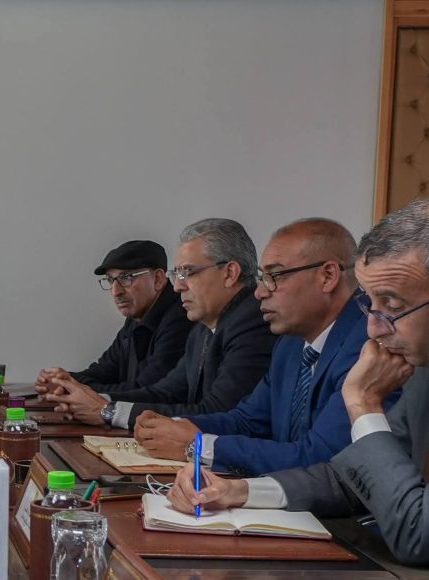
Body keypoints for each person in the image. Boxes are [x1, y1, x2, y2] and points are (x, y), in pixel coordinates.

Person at [166, 199, 429, 566]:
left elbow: (417, 535)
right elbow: (351, 475)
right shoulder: (419, 369)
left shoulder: (393, 360)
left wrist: (363, 404)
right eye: (370, 304)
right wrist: (239, 491)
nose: (373, 328)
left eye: (393, 305)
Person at [135, 218, 397, 476]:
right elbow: (247, 421)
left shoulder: (370, 344)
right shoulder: (290, 343)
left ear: (327, 276)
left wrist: (199, 446)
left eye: (274, 276)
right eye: (262, 277)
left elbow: (320, 458)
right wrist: (174, 426)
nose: (259, 292)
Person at [42, 218, 276, 429]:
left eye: (188, 272)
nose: (178, 286)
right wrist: (94, 400)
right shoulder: (203, 328)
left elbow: (218, 413)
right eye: (178, 274)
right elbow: (165, 392)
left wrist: (107, 411)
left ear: (230, 273)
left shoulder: (253, 323)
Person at [36, 240, 193, 395]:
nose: (116, 291)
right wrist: (63, 380)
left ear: (157, 279)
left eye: (126, 277)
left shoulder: (180, 319)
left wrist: (75, 389)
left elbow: (145, 392)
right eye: (111, 280)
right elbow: (104, 371)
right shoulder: (136, 318)